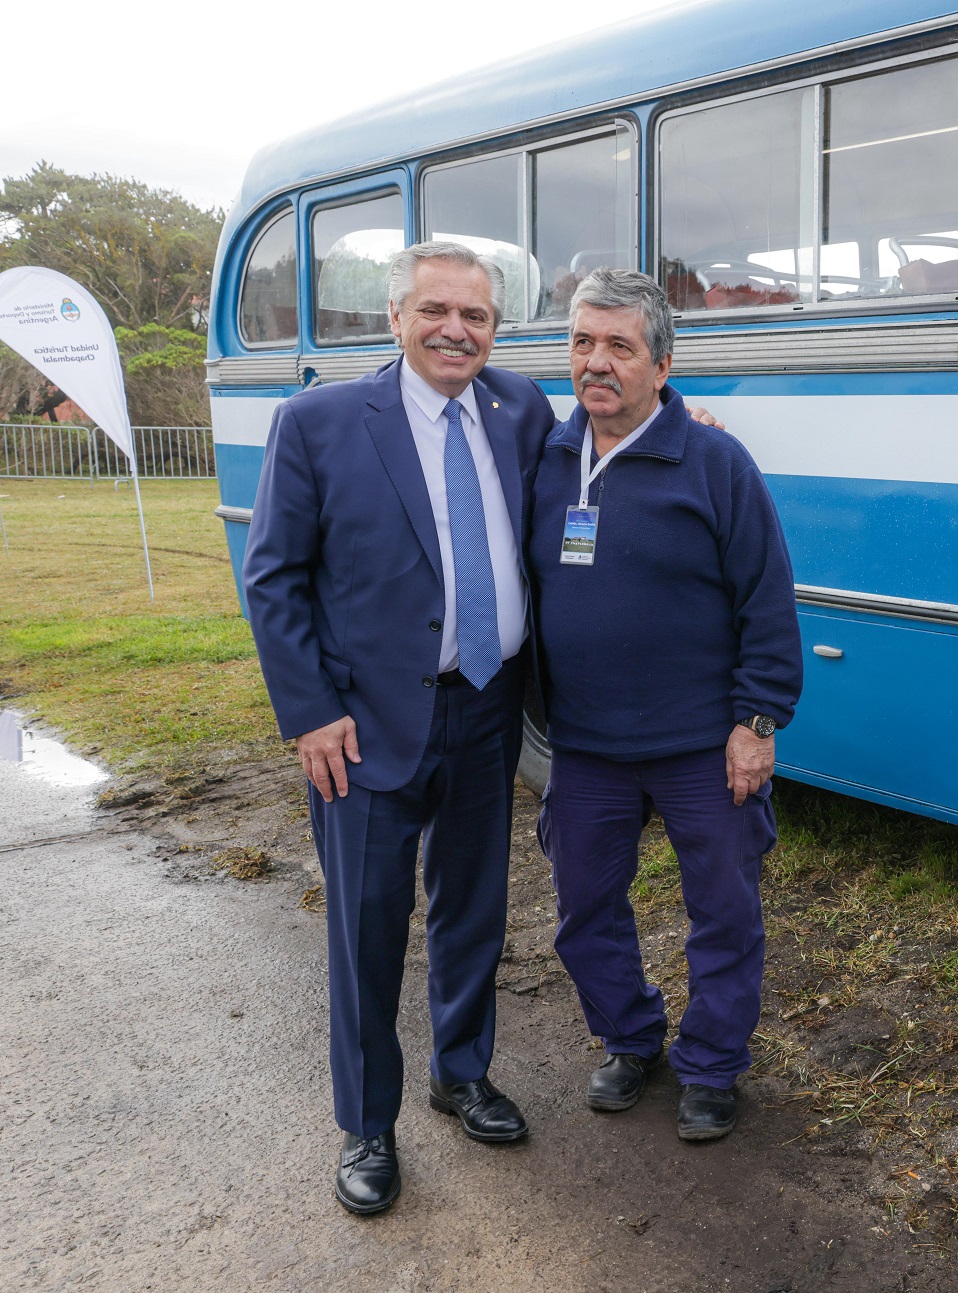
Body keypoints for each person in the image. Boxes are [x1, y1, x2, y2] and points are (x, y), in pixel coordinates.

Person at [243, 241, 552, 1215]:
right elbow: (275, 577)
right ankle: (366, 1123)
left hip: (486, 707)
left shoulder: (520, 408)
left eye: (477, 317)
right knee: (368, 930)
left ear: (495, 329)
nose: (456, 330)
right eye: (436, 311)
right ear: (394, 317)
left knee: (474, 911)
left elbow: (596, 457)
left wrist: (683, 415)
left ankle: (459, 1072)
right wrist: (311, 713)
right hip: (363, 729)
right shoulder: (319, 422)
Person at [528, 267, 802, 1142]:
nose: (596, 362)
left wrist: (756, 723)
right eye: (581, 342)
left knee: (723, 909)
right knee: (582, 908)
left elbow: (766, 598)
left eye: (619, 345)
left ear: (663, 362)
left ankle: (713, 1065)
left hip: (700, 747)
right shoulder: (541, 459)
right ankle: (629, 1036)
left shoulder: (716, 461)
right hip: (586, 747)